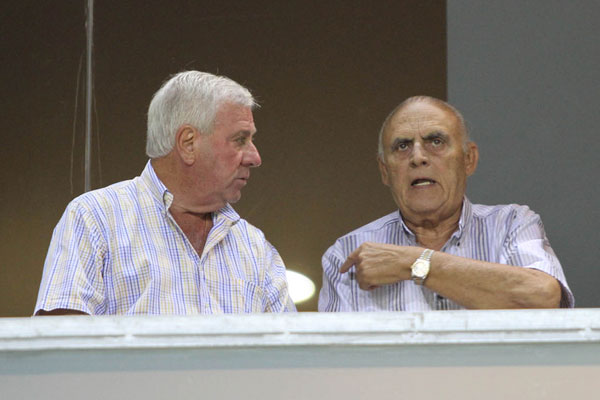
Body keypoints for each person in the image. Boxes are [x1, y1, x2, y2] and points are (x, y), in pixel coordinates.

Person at [35, 71, 296, 315]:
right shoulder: (95, 219)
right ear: (188, 143)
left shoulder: (255, 247)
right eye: (240, 139)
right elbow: (57, 349)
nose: (255, 157)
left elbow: (294, 357)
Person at [319, 96, 573, 311]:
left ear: (468, 160)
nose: (418, 157)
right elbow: (331, 364)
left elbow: (544, 297)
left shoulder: (511, 224)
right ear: (385, 171)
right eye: (403, 146)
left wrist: (415, 262)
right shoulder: (347, 254)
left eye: (436, 141)